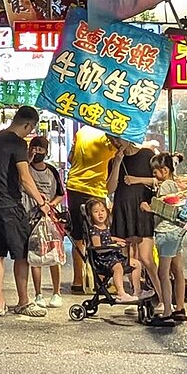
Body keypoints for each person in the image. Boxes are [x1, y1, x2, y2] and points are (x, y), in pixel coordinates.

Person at [0, 106, 49, 318]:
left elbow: (3, 168)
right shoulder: (18, 142)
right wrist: (41, 202)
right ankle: (23, 301)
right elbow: (24, 177)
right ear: (28, 125)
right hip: (10, 205)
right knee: (21, 254)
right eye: (32, 128)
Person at [65, 125, 126, 294]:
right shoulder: (108, 137)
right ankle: (101, 281)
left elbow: (71, 157)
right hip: (95, 191)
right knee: (97, 235)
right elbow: (124, 148)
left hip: (74, 187)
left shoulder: (82, 131)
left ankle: (78, 281)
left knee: (78, 236)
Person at [112, 138, 162, 312]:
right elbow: (110, 188)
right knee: (129, 257)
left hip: (142, 209)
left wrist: (136, 179)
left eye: (117, 139)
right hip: (123, 209)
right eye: (111, 140)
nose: (115, 143)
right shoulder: (115, 160)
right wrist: (117, 162)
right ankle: (136, 293)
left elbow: (159, 180)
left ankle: (162, 297)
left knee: (146, 257)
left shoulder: (146, 155)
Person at [140, 152, 186, 325]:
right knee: (178, 269)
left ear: (165, 170)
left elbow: (165, 208)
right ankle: (180, 308)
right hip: (177, 231)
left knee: (163, 272)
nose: (154, 177)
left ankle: (167, 311)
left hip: (166, 232)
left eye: (155, 173)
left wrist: (148, 207)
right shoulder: (175, 184)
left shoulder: (166, 185)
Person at [22, 136, 65, 309]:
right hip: (31, 217)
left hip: (50, 218)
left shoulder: (52, 171)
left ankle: (56, 292)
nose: (37, 152)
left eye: (41, 149)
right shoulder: (25, 169)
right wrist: (28, 160)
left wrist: (51, 205)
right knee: (35, 256)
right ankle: (38, 293)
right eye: (34, 148)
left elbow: (61, 193)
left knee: (53, 255)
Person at [86, 199, 139, 302]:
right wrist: (114, 245)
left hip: (113, 256)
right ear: (91, 215)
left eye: (102, 210)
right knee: (118, 267)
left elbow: (108, 238)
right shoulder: (94, 230)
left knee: (136, 264)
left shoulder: (105, 227)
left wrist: (117, 240)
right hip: (103, 259)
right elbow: (98, 248)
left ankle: (137, 290)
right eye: (96, 212)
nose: (100, 214)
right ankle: (121, 293)